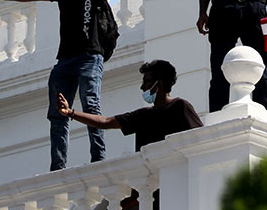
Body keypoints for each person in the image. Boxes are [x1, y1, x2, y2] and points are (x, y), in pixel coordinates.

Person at [0, 0, 156, 170]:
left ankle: (98, 158)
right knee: (57, 114)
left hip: (90, 57)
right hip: (65, 61)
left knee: (91, 106)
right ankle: (57, 165)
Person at [56, 59, 203, 151]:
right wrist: (70, 113)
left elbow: (199, 141)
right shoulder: (142, 116)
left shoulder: (180, 107)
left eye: (146, 82)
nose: (142, 87)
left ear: (160, 83)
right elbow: (105, 122)